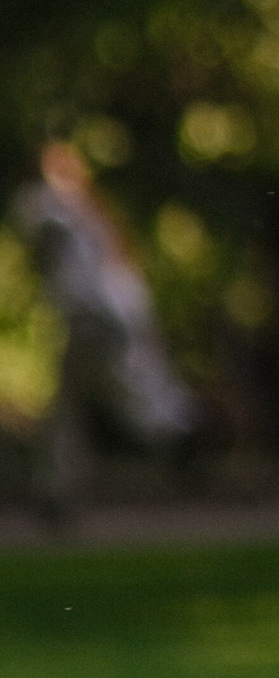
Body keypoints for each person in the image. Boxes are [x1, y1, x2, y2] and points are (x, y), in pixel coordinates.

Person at [10, 141, 201, 525]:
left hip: (98, 319)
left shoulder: (65, 211)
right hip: (98, 318)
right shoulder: (81, 215)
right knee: (76, 406)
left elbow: (40, 220)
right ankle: (60, 491)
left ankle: (182, 436)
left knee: (116, 394)